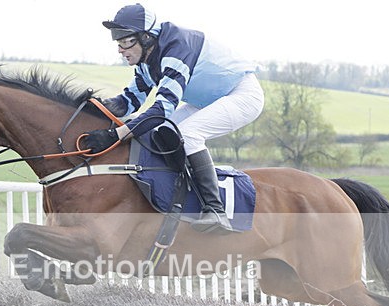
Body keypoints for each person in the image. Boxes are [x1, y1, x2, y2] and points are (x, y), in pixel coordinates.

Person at [83, 3, 264, 234]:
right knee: (158, 134)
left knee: (187, 134)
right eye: (117, 41)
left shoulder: (176, 49)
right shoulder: (147, 59)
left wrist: (115, 136)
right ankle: (180, 192)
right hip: (209, 100)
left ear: (146, 37)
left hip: (242, 94)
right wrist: (90, 108)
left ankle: (215, 210)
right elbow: (128, 102)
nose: (120, 49)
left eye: (125, 41)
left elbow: (161, 111)